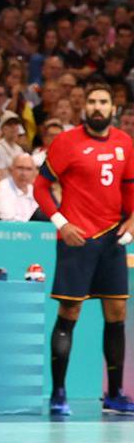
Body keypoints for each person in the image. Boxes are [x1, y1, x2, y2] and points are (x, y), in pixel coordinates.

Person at [34, 80, 134, 417]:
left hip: (112, 240)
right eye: (92, 101)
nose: (97, 107)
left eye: (103, 101)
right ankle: (59, 393)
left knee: (117, 314)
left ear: (113, 108)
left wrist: (132, 223)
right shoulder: (67, 142)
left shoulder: (125, 143)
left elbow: (130, 188)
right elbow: (40, 187)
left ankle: (115, 395)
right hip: (77, 239)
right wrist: (62, 223)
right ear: (84, 107)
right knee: (69, 314)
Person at [0, 152, 41, 222]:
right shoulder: (1, 189)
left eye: (29, 169)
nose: (24, 173)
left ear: (35, 172)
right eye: (20, 168)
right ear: (11, 170)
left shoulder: (35, 191)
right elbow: (7, 219)